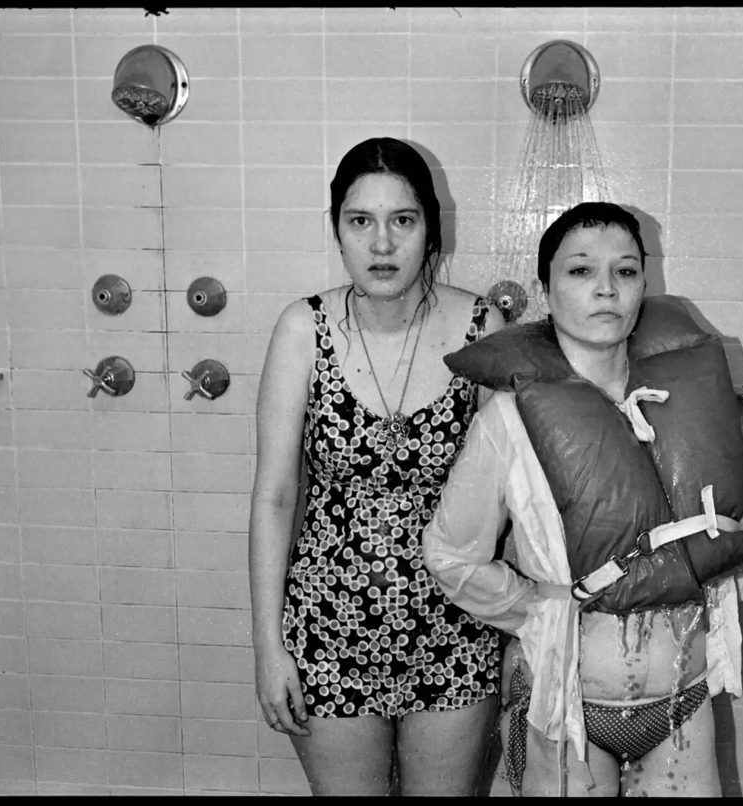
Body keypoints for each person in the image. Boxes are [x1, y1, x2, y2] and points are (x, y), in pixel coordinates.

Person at [421, 201, 743, 796]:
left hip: (682, 699)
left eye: (626, 272)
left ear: (644, 287)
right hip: (566, 703)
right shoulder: (508, 420)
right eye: (581, 271)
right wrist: (537, 608)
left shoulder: (685, 400)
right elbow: (450, 556)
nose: (606, 289)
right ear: (546, 291)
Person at [248, 137, 505, 796]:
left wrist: (533, 628)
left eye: (403, 220)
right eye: (361, 221)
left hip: (455, 628)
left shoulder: (482, 326)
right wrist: (268, 645)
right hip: (325, 631)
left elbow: (519, 498)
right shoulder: (302, 331)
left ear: (430, 230)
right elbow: (275, 496)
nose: (382, 243)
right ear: (337, 229)